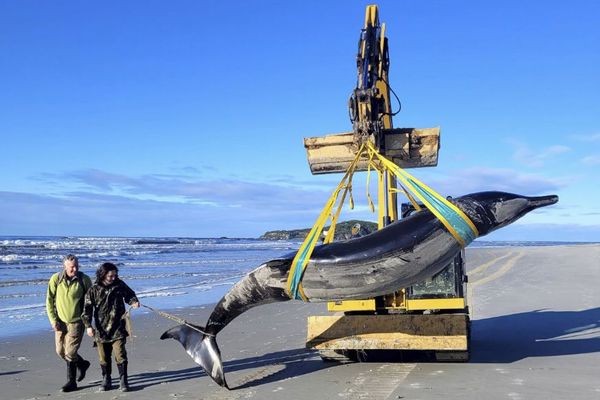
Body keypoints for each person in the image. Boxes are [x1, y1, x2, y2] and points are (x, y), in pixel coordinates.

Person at [82, 262, 140, 392]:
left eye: (115, 275)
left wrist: (134, 301)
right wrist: (88, 326)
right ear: (103, 275)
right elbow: (87, 309)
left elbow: (130, 295)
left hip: (118, 327)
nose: (114, 278)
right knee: (103, 357)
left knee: (120, 354)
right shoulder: (94, 289)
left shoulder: (119, 285)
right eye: (110, 276)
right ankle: (106, 379)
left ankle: (123, 381)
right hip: (101, 330)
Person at [46, 254, 93, 392]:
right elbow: (49, 301)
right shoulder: (56, 279)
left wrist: (88, 322)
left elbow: (90, 302)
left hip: (77, 322)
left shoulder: (84, 280)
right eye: (72, 267)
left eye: (77, 266)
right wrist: (53, 320)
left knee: (70, 352)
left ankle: (71, 382)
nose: (75, 269)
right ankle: (82, 364)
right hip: (60, 322)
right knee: (60, 351)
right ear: (64, 267)